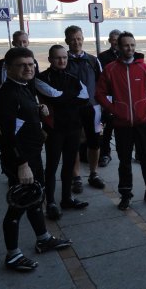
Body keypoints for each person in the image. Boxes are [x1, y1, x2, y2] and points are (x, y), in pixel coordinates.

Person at [0, 46, 71, 272]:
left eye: (31, 64)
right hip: (20, 161)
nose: (28, 68)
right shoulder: (6, 95)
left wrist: (38, 109)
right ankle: (13, 255)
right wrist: (22, 164)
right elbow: (6, 136)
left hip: (32, 156)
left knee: (36, 198)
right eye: (22, 65)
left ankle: (43, 238)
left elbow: (23, 115)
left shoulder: (24, 87)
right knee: (17, 206)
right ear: (8, 68)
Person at [96, 32, 146, 210]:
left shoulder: (144, 68)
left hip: (143, 123)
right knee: (124, 161)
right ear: (118, 47)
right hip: (122, 125)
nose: (130, 48)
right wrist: (114, 109)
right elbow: (99, 94)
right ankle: (126, 195)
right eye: (126, 45)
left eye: (132, 45)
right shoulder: (110, 69)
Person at [35, 45, 90, 220]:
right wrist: (70, 97)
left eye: (64, 57)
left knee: (69, 165)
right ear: (50, 59)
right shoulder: (40, 78)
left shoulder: (72, 77)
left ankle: (66, 198)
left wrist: (63, 97)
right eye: (58, 58)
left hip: (73, 128)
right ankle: (50, 202)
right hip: (54, 129)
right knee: (51, 166)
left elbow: (85, 97)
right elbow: (54, 96)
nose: (62, 61)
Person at [64, 25, 105, 192]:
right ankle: (76, 177)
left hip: (93, 108)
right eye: (73, 39)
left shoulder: (93, 60)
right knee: (73, 143)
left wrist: (105, 108)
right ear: (67, 41)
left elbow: (102, 85)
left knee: (94, 143)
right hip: (71, 110)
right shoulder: (63, 60)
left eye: (79, 38)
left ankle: (94, 174)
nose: (76, 42)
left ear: (83, 39)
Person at [97, 29, 123, 167]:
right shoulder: (102, 57)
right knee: (107, 128)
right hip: (108, 97)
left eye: (118, 40)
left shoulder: (126, 56)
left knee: (125, 128)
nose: (116, 43)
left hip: (123, 97)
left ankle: (130, 152)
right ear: (109, 41)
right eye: (113, 40)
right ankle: (105, 154)